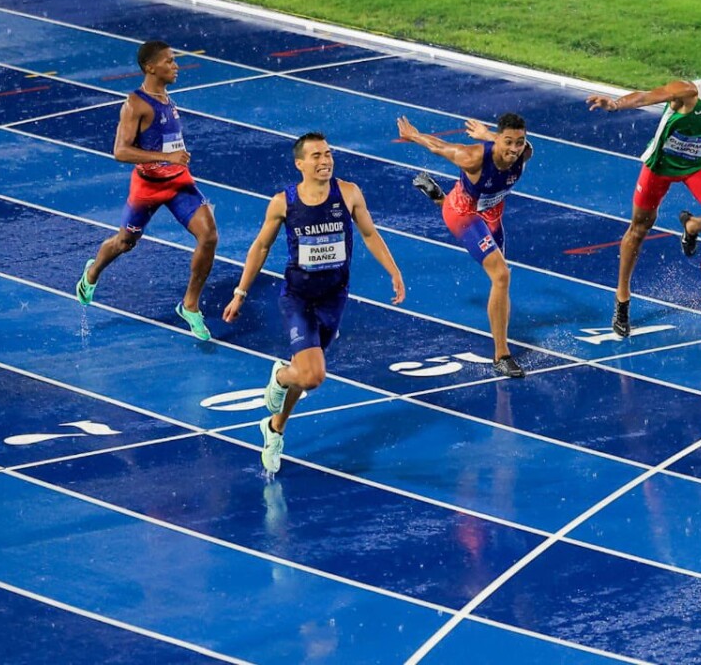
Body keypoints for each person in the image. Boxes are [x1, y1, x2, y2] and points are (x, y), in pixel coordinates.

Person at [222, 132, 405, 473]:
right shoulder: (283, 202)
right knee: (312, 376)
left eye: (328, 154)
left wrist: (393, 270)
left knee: (305, 372)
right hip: (298, 297)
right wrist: (240, 293)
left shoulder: (348, 193)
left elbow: (368, 233)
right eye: (317, 156)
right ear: (300, 164)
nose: (325, 161)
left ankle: (275, 428)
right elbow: (260, 248)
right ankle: (279, 377)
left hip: (334, 297)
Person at [586, 72, 701, 337]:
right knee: (639, 228)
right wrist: (616, 105)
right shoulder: (687, 93)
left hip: (698, 166)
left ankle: (692, 225)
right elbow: (646, 96)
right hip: (661, 166)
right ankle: (622, 298)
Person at [75, 40, 219, 340]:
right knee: (125, 243)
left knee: (209, 235)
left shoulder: (166, 98)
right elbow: (120, 151)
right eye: (169, 61)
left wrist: (173, 160)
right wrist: (167, 157)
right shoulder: (135, 104)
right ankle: (92, 272)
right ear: (150, 67)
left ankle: (189, 305)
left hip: (179, 182)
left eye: (175, 60)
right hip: (147, 187)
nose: (175, 65)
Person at [399, 113, 531, 378]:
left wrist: (489, 135)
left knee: (503, 278)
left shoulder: (524, 153)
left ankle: (438, 196)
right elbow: (438, 147)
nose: (515, 150)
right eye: (509, 142)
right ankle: (501, 356)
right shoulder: (472, 157)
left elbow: (513, 144)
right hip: (463, 213)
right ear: (498, 141)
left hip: (491, 212)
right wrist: (413, 135)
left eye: (520, 142)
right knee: (501, 276)